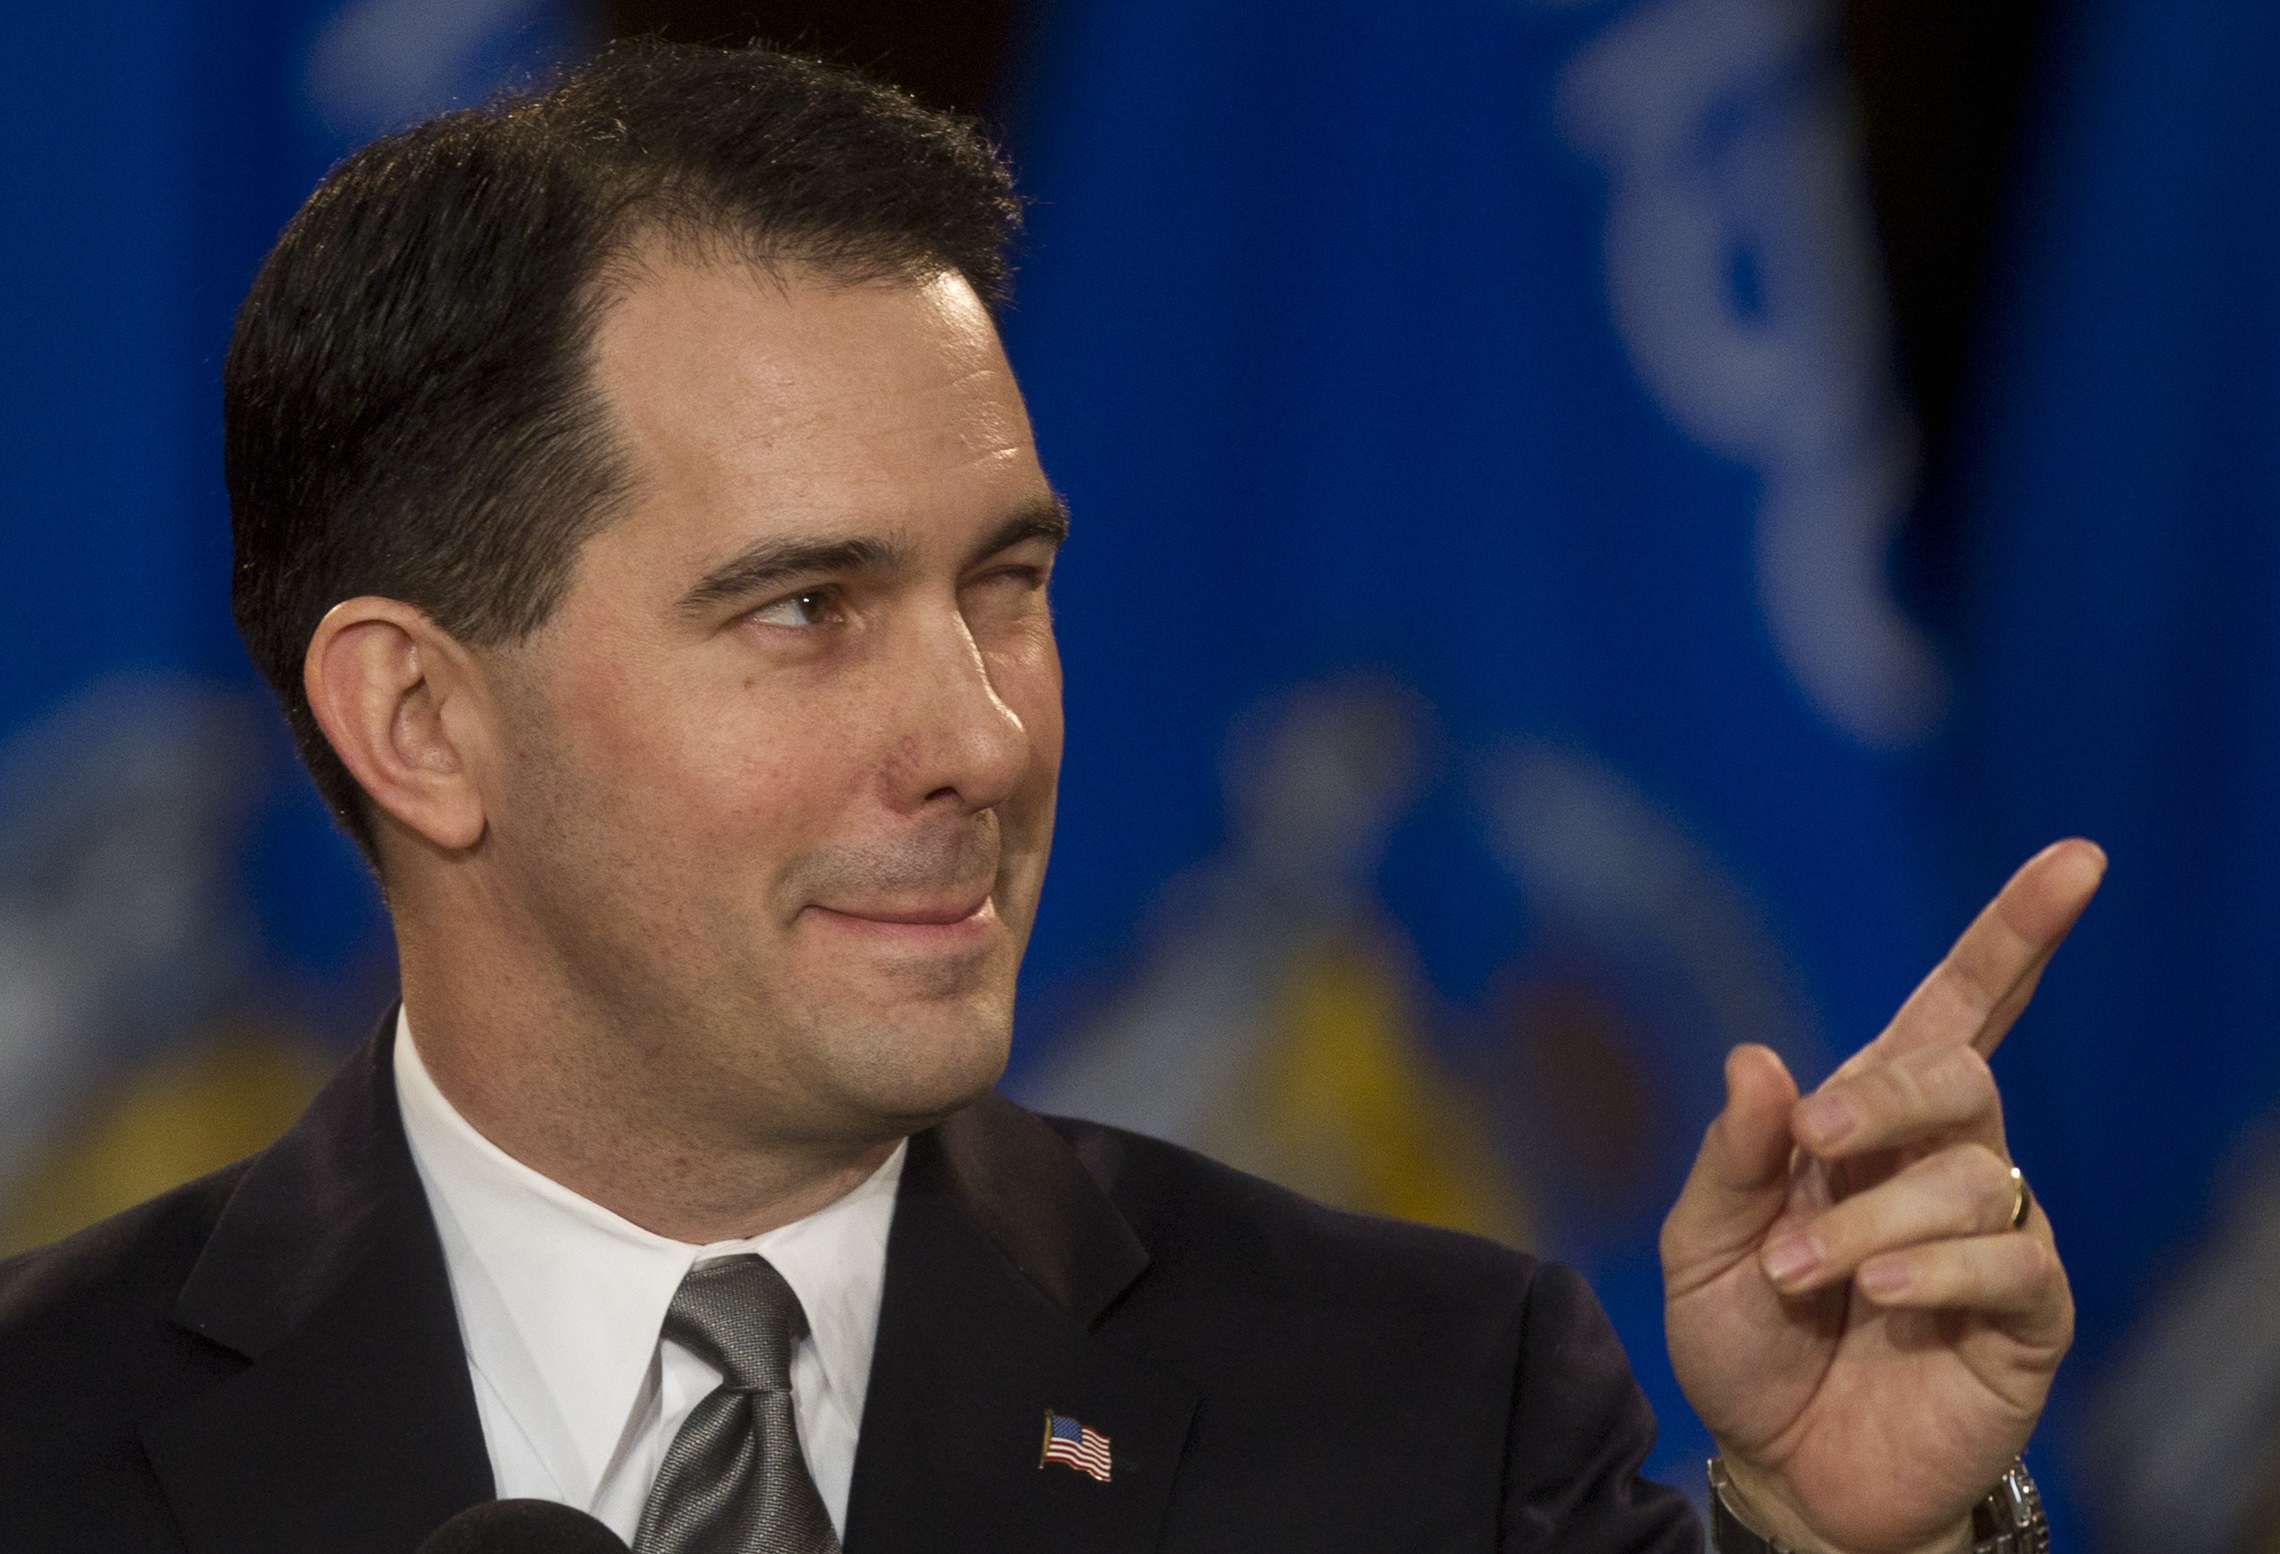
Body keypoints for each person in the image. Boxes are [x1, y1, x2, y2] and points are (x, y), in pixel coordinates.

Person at [0, 41, 2092, 1554]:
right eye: (807, 608)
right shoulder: (43, 1447)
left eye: (1006, 588)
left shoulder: (1433, 1413)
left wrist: (1848, 1545)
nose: (986, 737)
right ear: (422, 724)